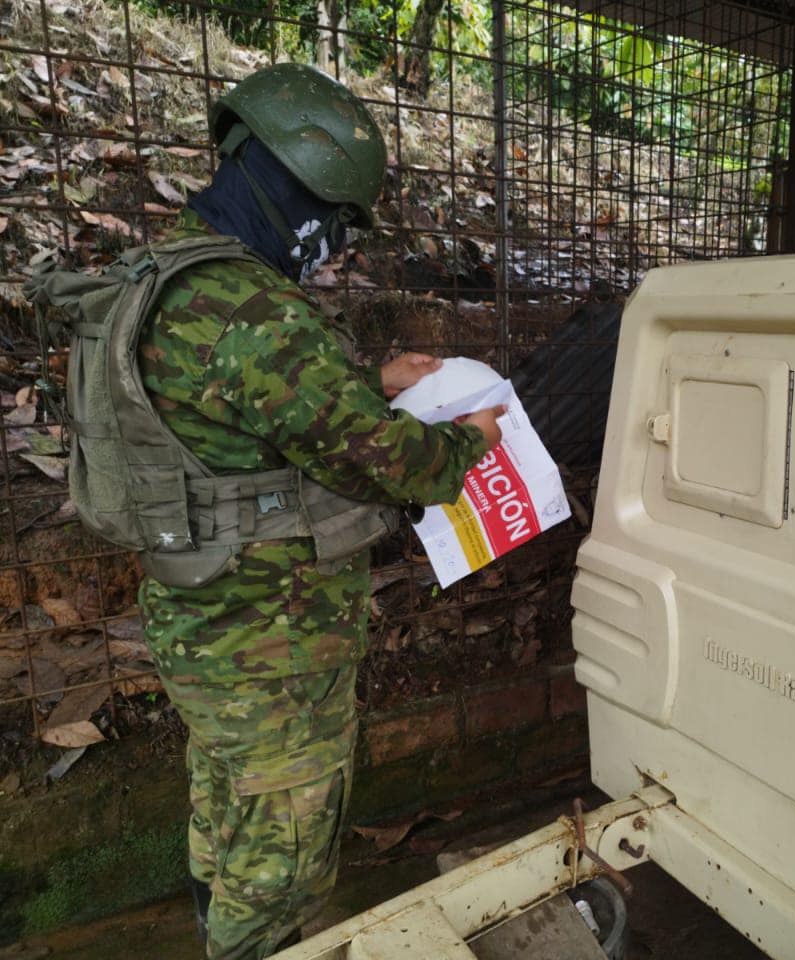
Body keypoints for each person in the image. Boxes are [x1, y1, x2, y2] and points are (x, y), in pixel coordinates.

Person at [135, 63, 505, 960]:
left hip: (197, 618)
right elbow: (394, 464)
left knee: (227, 810)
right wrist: (476, 439)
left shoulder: (164, 271)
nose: (335, 245)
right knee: (282, 859)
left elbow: (223, 408)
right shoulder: (255, 311)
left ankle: (217, 932)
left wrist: (365, 380)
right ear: (299, 192)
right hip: (268, 641)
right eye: (338, 223)